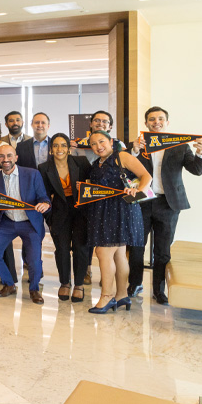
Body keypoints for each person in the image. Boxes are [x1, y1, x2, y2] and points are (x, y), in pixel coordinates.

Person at [127, 106, 202, 304]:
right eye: (152, 119)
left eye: (160, 119)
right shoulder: (137, 145)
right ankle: (135, 284)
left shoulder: (179, 146)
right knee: (136, 246)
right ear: (146, 123)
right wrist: (134, 151)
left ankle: (159, 290)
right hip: (141, 202)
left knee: (162, 250)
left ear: (167, 123)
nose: (156, 122)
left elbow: (196, 170)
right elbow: (125, 170)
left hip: (168, 204)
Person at [86, 131, 152, 313]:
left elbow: (146, 176)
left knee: (102, 252)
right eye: (93, 144)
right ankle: (122, 295)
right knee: (119, 254)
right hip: (104, 211)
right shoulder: (97, 162)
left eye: (102, 142)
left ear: (110, 141)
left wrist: (137, 190)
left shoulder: (122, 156)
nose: (98, 146)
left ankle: (107, 297)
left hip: (122, 209)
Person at [0, 144, 51, 304]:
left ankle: (34, 289)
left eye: (9, 156)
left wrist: (45, 204)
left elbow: (43, 197)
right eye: (2, 156)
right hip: (7, 222)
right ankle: (9, 284)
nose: (6, 160)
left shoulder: (32, 174)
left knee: (33, 260)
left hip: (29, 222)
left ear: (16, 157)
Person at [39, 133, 91, 302]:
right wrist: (49, 218)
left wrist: (87, 186)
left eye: (63, 145)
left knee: (80, 248)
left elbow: (93, 184)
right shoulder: (43, 168)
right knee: (61, 249)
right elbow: (43, 195)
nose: (59, 149)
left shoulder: (81, 163)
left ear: (69, 149)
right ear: (50, 149)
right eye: (55, 145)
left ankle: (79, 285)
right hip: (59, 212)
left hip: (81, 211)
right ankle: (65, 283)